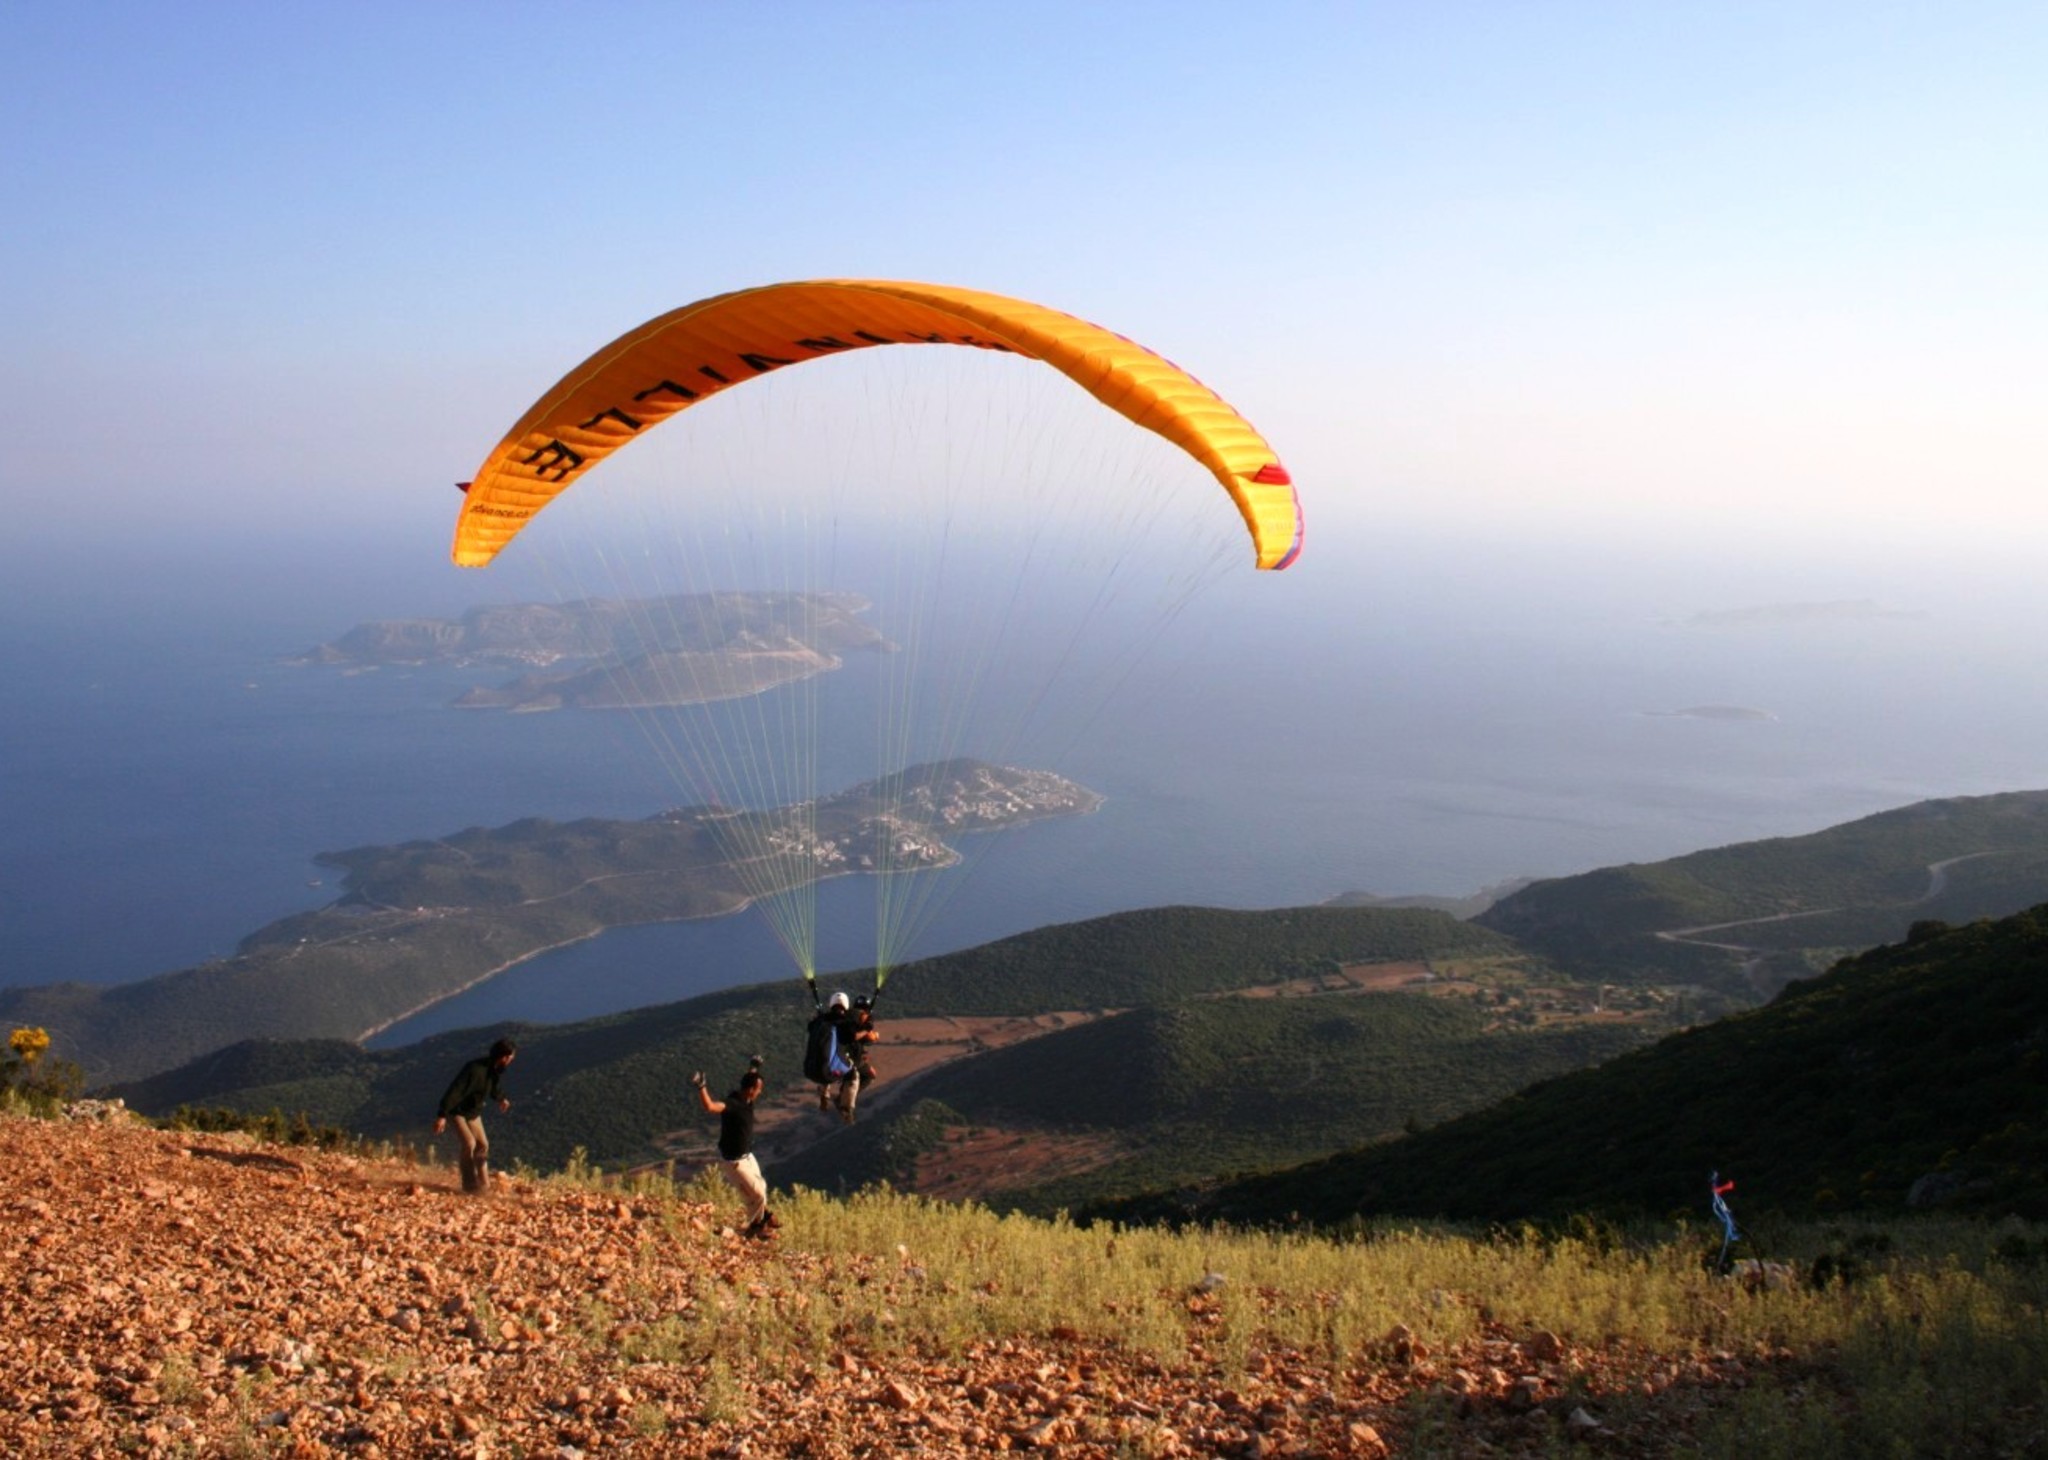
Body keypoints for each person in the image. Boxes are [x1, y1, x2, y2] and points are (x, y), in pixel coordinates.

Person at [694, 1056, 776, 1240]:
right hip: (734, 1162)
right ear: (751, 1090)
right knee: (758, 1193)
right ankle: (755, 1229)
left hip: (748, 1156)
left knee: (759, 1188)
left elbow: (749, 1077)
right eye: (759, 1090)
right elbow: (710, 1107)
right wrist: (702, 1087)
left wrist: (754, 1066)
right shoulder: (733, 1104)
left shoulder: (746, 1098)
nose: (760, 1093)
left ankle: (764, 1218)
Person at [433, 1037, 515, 1194]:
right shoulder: (474, 1069)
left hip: (473, 1113)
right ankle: (469, 1185)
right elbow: (454, 1090)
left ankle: (484, 1186)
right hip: (456, 1111)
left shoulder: (494, 1070)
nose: (511, 1060)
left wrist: (501, 1098)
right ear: (504, 1057)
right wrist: (442, 1115)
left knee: (483, 1145)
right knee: (469, 1143)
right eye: (511, 1057)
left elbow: (493, 1087)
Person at [804, 991, 854, 1114]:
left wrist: (820, 1017)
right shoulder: (844, 1023)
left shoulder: (819, 1021)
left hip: (810, 1070)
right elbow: (852, 1037)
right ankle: (846, 1106)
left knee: (828, 1058)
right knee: (852, 1071)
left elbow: (810, 1027)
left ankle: (824, 1093)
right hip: (827, 1073)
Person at [836, 995, 880, 1124]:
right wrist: (874, 1035)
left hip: (843, 1054)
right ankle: (844, 1102)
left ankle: (843, 1096)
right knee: (869, 1075)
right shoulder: (862, 1017)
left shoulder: (848, 1015)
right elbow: (866, 1037)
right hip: (853, 1057)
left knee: (865, 1073)